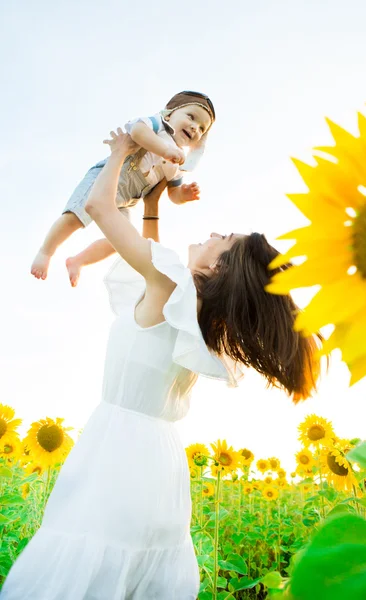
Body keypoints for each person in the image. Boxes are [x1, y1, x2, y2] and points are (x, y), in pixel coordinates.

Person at [2, 131, 321, 599]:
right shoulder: (195, 311)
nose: (213, 233)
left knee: (88, 564)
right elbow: (153, 253)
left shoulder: (169, 285)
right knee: (133, 570)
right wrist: (152, 204)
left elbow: (99, 208)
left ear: (218, 270)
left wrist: (118, 155)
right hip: (156, 461)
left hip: (117, 448)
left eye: (224, 239)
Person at [30, 90, 215, 287]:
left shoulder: (178, 162)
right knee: (76, 216)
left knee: (120, 240)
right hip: (107, 179)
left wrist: (183, 195)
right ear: (170, 113)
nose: (195, 127)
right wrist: (164, 149)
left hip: (128, 199)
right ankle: (46, 251)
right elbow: (137, 131)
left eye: (202, 128)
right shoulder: (158, 125)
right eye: (191, 117)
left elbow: (172, 193)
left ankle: (78, 260)